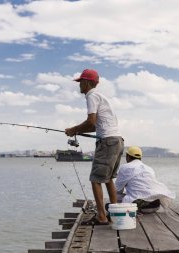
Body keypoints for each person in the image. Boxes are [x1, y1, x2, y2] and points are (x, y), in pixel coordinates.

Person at [65, 69, 124, 225]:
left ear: (87, 82)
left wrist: (73, 130)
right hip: (117, 140)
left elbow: (91, 122)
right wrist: (76, 130)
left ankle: (102, 217)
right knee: (109, 179)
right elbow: (94, 126)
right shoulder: (101, 97)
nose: (79, 85)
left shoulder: (91, 96)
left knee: (95, 179)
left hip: (107, 142)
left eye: (80, 82)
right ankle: (114, 213)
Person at [115, 146, 175, 213]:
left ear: (127, 156)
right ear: (140, 157)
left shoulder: (125, 167)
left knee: (110, 202)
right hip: (156, 205)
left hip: (140, 206)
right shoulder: (149, 168)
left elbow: (117, 189)